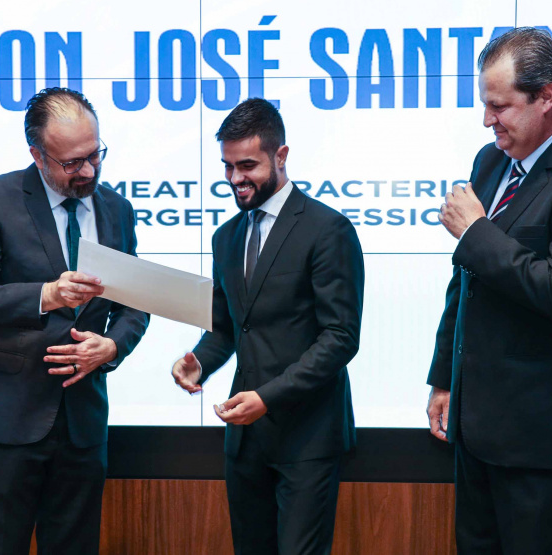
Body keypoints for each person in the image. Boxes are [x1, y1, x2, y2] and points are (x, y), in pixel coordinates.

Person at [426, 27, 552, 554]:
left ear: (546, 97)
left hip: (548, 447)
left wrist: (476, 232)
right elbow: (465, 281)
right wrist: (444, 377)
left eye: (500, 105)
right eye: (484, 105)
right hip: (477, 432)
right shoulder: (491, 162)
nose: (487, 120)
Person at [0, 87, 149, 554]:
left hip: (82, 424)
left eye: (96, 155)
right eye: (72, 163)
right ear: (37, 154)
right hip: (3, 421)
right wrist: (47, 294)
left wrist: (113, 346)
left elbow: (135, 303)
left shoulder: (116, 208)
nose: (89, 171)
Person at [171, 98, 364, 555]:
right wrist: (197, 363)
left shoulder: (328, 229)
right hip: (245, 442)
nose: (235, 178)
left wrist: (267, 398)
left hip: (308, 439)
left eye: (247, 165)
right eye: (227, 166)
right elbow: (226, 328)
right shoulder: (226, 236)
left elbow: (340, 338)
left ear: (281, 156)